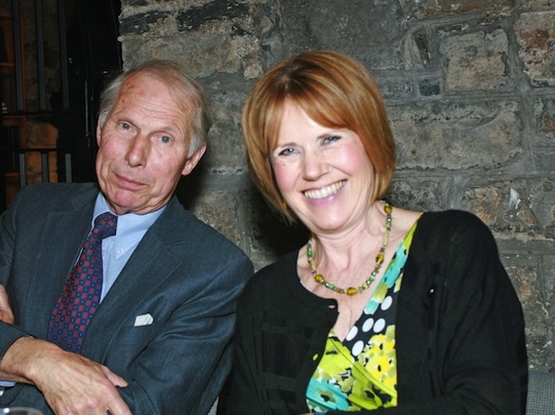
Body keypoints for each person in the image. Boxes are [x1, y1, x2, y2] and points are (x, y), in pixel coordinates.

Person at [0, 59, 254, 415]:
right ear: (100, 129)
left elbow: (142, 410)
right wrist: (34, 358)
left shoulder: (215, 271)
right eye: (125, 126)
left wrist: (1, 353)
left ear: (190, 159)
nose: (135, 156)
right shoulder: (35, 211)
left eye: (164, 138)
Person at [222, 51, 527, 414]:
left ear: (370, 138)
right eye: (288, 150)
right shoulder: (264, 297)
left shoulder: (452, 247)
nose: (313, 169)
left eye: (330, 139)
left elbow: (489, 406)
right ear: (271, 172)